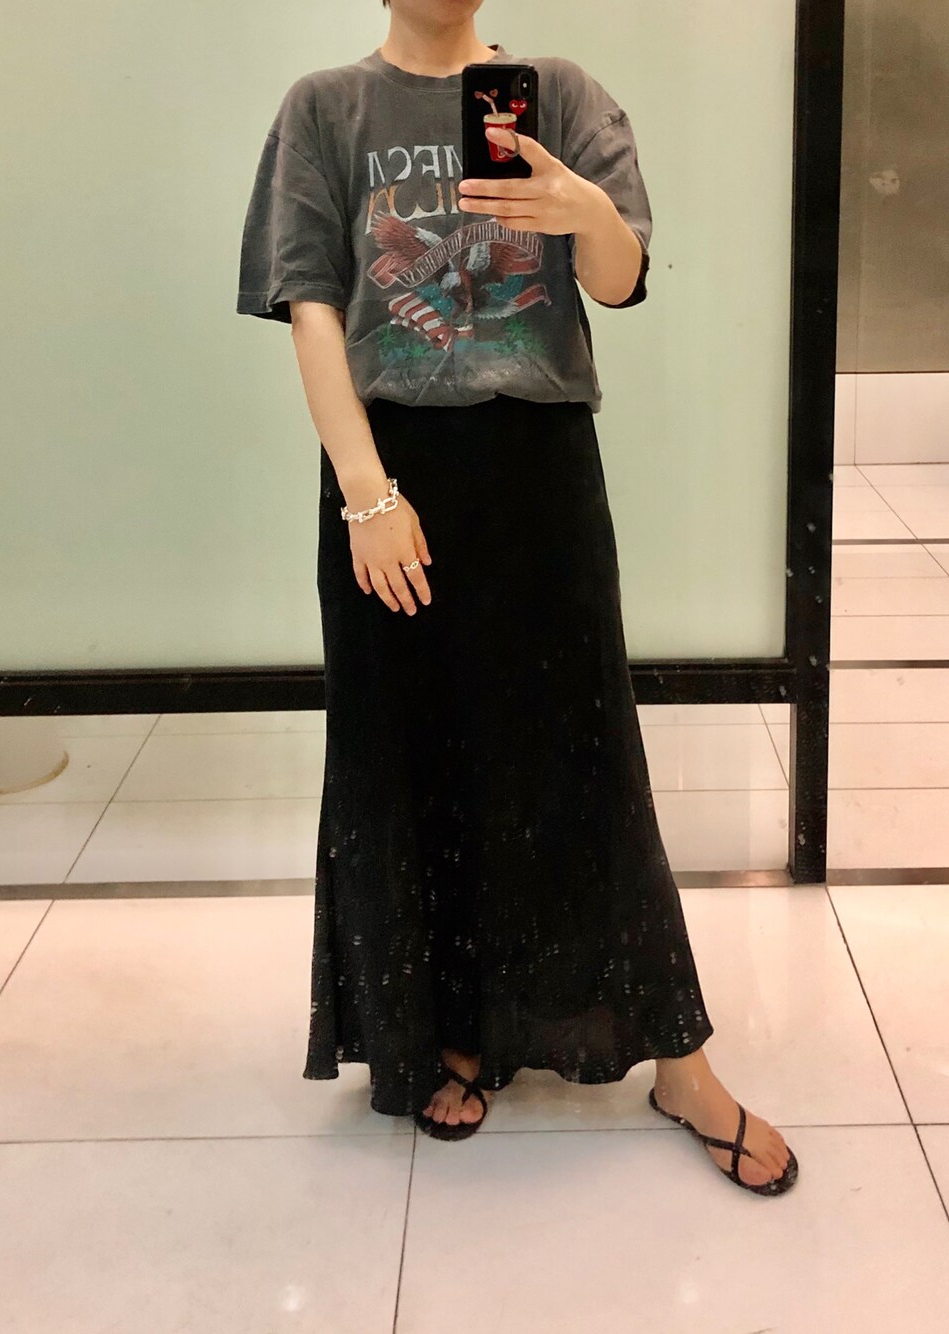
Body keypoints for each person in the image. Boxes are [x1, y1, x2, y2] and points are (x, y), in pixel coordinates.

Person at [236, 0, 797, 1195]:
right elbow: (312, 306)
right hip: (391, 472)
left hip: (538, 467)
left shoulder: (562, 91)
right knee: (412, 749)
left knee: (581, 753)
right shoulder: (325, 109)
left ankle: (678, 1058)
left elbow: (619, 278)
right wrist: (366, 493)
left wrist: (581, 208)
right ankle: (455, 1025)